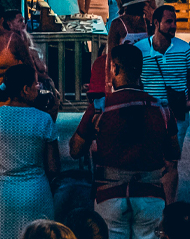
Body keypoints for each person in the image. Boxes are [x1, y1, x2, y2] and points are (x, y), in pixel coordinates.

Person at [69, 42, 177, 239]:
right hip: (150, 196)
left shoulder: (100, 108)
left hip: (109, 197)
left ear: (115, 68)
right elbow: (173, 154)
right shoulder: (162, 109)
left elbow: (75, 150)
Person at [0, 64, 58, 239]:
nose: (38, 87)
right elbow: (54, 167)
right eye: (35, 84)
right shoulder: (44, 119)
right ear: (25, 90)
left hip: (2, 196)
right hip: (36, 195)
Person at [137, 4, 190, 203]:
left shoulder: (184, 48)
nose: (173, 26)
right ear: (156, 23)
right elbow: (135, 81)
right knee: (151, 160)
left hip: (176, 114)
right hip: (149, 115)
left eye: (175, 21)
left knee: (171, 161)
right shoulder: (140, 49)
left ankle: (169, 205)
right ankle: (153, 200)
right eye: (168, 21)